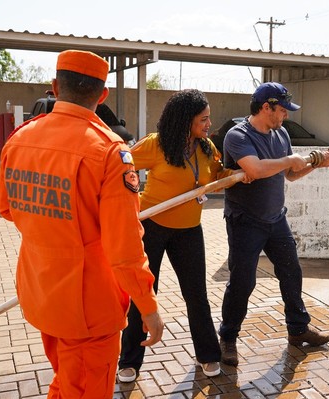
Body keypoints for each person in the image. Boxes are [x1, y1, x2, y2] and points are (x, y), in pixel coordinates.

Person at [0, 49, 163, 398]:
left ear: (55, 87)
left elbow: (8, 209)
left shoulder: (19, 139)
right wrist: (148, 308)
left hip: (41, 293)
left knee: (66, 381)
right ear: (102, 95)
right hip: (89, 308)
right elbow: (126, 249)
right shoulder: (109, 152)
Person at [118, 89, 248, 382]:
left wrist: (238, 173)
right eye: (203, 119)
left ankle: (208, 355)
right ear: (185, 120)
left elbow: (215, 176)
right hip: (151, 227)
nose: (208, 124)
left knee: (196, 296)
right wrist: (126, 200)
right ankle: (129, 361)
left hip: (189, 230)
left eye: (208, 118)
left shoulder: (205, 148)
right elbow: (119, 166)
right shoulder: (156, 145)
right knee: (144, 296)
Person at [218, 82, 329, 366]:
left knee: (291, 272)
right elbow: (256, 169)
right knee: (243, 282)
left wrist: (315, 164)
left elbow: (290, 175)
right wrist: (290, 160)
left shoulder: (280, 134)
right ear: (265, 107)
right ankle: (228, 337)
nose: (285, 115)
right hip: (245, 221)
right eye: (282, 110)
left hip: (275, 218)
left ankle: (298, 329)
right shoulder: (238, 136)